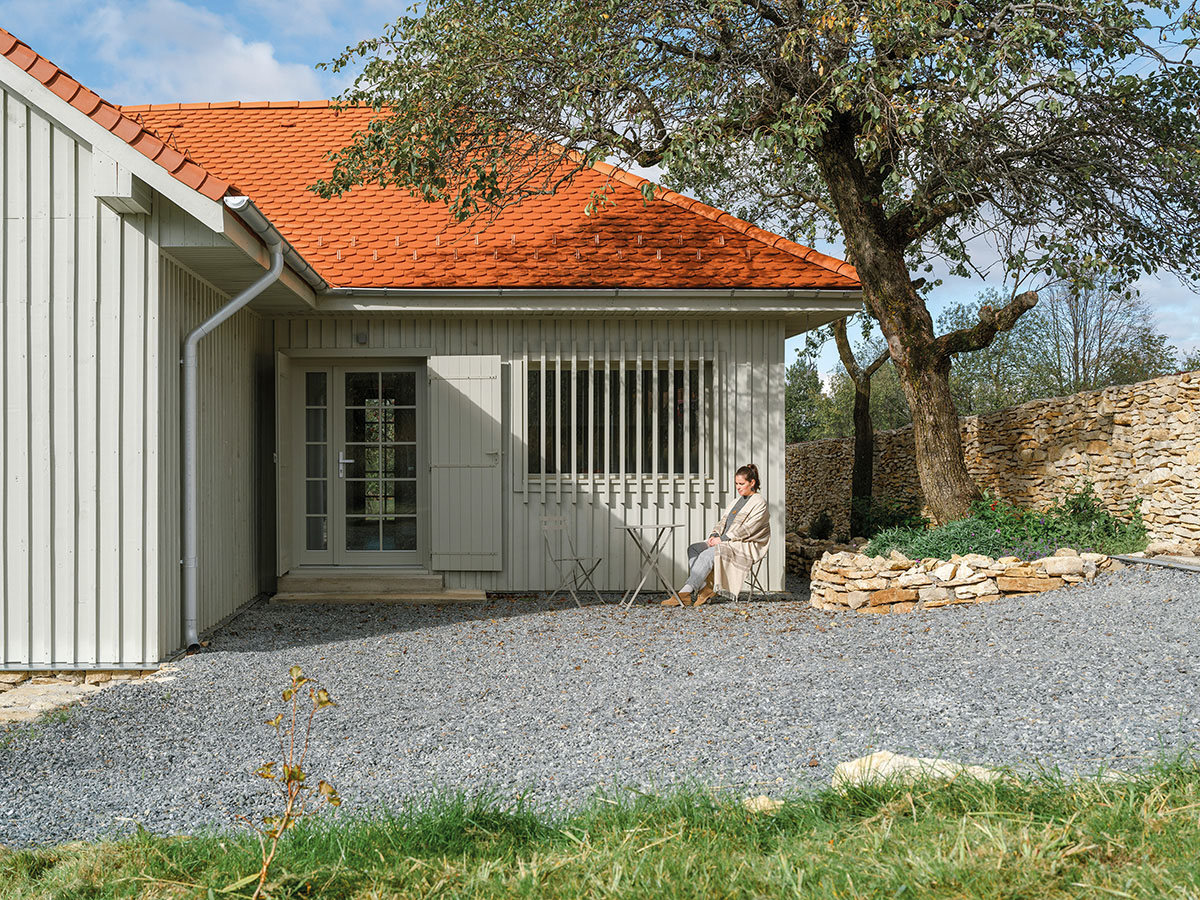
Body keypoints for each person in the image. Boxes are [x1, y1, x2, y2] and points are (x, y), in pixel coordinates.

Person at [664, 463, 770, 607]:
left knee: (706, 555)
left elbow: (748, 529)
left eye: (741, 484)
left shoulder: (759, 502)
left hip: (743, 544)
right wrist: (715, 535)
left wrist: (723, 539)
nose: (738, 487)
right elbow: (722, 522)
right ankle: (704, 588)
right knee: (694, 549)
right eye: (736, 484)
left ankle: (684, 593)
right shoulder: (736, 502)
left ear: (752, 483)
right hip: (725, 540)